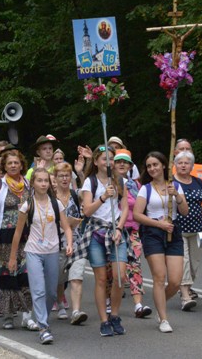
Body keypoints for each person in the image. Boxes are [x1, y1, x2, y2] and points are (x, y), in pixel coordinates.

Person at [9, 168, 74, 344]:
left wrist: (69, 243)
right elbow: (17, 234)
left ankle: (40, 317)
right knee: (38, 290)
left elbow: (67, 227)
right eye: (40, 181)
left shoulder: (56, 204)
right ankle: (44, 327)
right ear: (33, 183)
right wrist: (13, 258)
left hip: (52, 251)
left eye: (46, 180)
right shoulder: (27, 205)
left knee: (52, 293)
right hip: (33, 252)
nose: (44, 184)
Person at [72, 145, 129, 337]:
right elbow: (87, 210)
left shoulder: (120, 180)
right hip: (96, 231)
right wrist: (104, 197)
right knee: (101, 279)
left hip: (116, 231)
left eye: (111, 159)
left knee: (119, 276)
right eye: (104, 159)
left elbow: (125, 208)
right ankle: (104, 320)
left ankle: (114, 315)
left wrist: (120, 228)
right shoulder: (90, 182)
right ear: (96, 162)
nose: (109, 162)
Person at [133, 151, 189, 333]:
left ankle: (160, 303)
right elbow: (137, 215)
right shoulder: (145, 189)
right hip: (153, 233)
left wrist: (177, 197)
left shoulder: (175, 186)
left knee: (175, 280)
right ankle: (163, 318)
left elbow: (185, 211)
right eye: (149, 166)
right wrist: (159, 224)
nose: (152, 169)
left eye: (155, 164)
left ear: (164, 165)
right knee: (159, 277)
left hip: (173, 232)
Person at [0, 149, 38, 331]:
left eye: (16, 163)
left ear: (22, 165)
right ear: (5, 167)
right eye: (9, 163)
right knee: (6, 274)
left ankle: (27, 316)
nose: (13, 166)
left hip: (27, 236)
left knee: (26, 274)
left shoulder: (29, 185)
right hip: (4, 237)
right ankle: (8, 315)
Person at [112, 150, 153, 318]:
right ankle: (110, 303)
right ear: (112, 164)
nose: (122, 164)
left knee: (135, 266)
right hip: (113, 231)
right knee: (112, 271)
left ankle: (138, 305)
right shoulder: (108, 184)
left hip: (132, 231)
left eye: (125, 162)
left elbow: (142, 208)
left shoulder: (136, 185)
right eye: (118, 161)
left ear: (130, 166)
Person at [173, 150, 202, 308]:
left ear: (191, 166)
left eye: (186, 163)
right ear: (175, 165)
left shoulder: (198, 181)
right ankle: (185, 297)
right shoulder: (172, 183)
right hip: (179, 230)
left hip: (201, 230)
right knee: (184, 261)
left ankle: (186, 288)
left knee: (195, 262)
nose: (183, 165)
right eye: (180, 163)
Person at [53, 163, 89, 325]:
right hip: (56, 243)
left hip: (77, 242)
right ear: (55, 178)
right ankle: (60, 303)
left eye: (67, 175)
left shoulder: (76, 194)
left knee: (76, 276)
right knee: (59, 278)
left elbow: (89, 193)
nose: (65, 178)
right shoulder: (50, 198)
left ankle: (75, 311)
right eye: (61, 175)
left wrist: (80, 173)